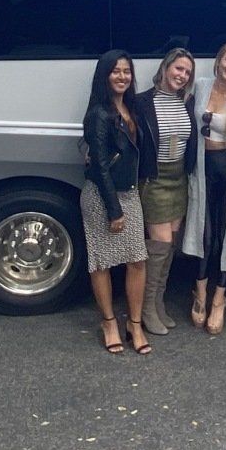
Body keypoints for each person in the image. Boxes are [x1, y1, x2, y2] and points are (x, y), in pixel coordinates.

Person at [80, 50, 151, 354]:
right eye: (115, 71)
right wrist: (114, 209)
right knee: (102, 262)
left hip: (130, 191)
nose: (122, 77)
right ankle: (109, 322)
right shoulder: (99, 113)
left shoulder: (132, 108)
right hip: (102, 196)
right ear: (104, 76)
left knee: (137, 260)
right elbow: (99, 166)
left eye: (127, 71)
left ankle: (134, 324)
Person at [182, 41, 226, 335]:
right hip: (201, 171)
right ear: (219, 60)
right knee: (204, 233)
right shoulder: (200, 87)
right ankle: (199, 292)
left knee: (224, 236)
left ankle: (220, 297)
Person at [131, 47, 195, 336]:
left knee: (170, 245)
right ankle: (146, 308)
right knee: (158, 245)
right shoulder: (142, 102)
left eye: (187, 72)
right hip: (155, 180)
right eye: (178, 68)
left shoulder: (188, 102)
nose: (182, 75)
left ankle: (158, 303)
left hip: (178, 178)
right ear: (166, 67)